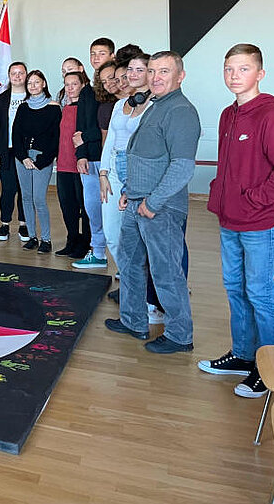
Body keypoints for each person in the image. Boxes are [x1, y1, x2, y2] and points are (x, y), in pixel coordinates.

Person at [200, 44, 274, 397]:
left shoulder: (270, 115)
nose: (234, 76)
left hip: (259, 221)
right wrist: (221, 195)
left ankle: (268, 367)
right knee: (235, 289)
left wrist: (254, 200)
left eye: (243, 69)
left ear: (260, 73)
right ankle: (243, 355)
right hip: (229, 219)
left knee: (260, 293)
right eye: (229, 69)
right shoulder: (229, 114)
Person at [105, 51, 200, 354]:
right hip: (136, 200)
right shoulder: (156, 105)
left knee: (165, 271)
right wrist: (130, 191)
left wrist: (153, 202)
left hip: (160, 208)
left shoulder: (181, 111)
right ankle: (133, 321)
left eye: (164, 72)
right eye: (153, 71)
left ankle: (179, 335)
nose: (156, 77)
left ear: (180, 76)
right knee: (130, 264)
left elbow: (182, 166)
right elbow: (145, 155)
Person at [99, 54, 149, 280]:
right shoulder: (120, 105)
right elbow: (110, 140)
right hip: (113, 170)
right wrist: (103, 171)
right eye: (129, 71)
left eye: (138, 70)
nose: (130, 76)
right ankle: (131, 281)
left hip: (137, 170)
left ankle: (146, 291)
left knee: (139, 236)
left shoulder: (155, 104)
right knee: (112, 234)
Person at [11, 70, 61, 254]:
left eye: (36, 82)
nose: (32, 86)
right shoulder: (23, 107)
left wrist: (41, 161)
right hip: (22, 158)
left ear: (44, 84)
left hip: (42, 159)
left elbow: (55, 138)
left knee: (39, 199)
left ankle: (45, 239)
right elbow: (16, 134)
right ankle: (32, 236)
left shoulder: (54, 108)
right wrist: (23, 156)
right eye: (30, 83)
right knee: (26, 197)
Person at [71, 51, 110, 270]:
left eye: (102, 53)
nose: (96, 57)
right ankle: (97, 251)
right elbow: (81, 126)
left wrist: (86, 136)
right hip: (91, 159)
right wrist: (81, 154)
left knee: (115, 213)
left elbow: (107, 131)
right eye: (93, 54)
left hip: (111, 161)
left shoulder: (120, 94)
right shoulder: (88, 92)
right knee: (92, 207)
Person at [0, 62, 29, 243]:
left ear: (26, 75)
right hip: (6, 152)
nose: (17, 76)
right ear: (9, 75)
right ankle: (4, 224)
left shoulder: (33, 97)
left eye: (21, 73)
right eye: (14, 73)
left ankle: (24, 224)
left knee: (24, 190)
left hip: (27, 153)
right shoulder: (2, 99)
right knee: (8, 189)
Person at [55, 69, 91, 259]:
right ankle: (72, 239)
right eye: (67, 85)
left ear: (82, 85)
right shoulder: (64, 108)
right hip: (63, 165)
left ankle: (85, 242)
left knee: (84, 206)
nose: (70, 88)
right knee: (67, 206)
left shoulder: (85, 109)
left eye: (74, 84)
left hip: (80, 165)